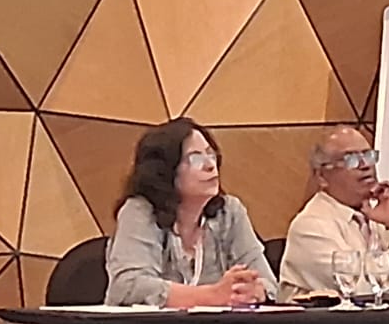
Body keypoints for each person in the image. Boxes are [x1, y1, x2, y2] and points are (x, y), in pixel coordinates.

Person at [105, 117, 276, 307]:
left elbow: (269, 283)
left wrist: (254, 291)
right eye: (196, 159)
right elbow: (128, 287)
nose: (210, 166)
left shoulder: (229, 213)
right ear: (165, 171)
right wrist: (211, 295)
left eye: (211, 155)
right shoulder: (139, 211)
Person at [278, 126, 389, 301]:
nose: (365, 166)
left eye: (368, 156)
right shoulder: (309, 226)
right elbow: (359, 288)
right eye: (352, 159)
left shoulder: (384, 215)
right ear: (322, 176)